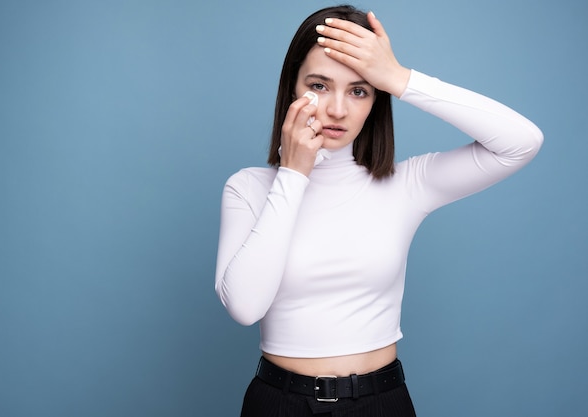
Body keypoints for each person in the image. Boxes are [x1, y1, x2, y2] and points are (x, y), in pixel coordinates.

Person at [215, 5, 543, 417]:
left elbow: (522, 142)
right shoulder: (248, 187)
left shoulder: (406, 184)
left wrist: (400, 78)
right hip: (278, 401)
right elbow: (245, 306)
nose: (337, 109)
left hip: (379, 403)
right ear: (292, 88)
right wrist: (293, 174)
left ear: (376, 98)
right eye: (318, 84)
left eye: (359, 90)